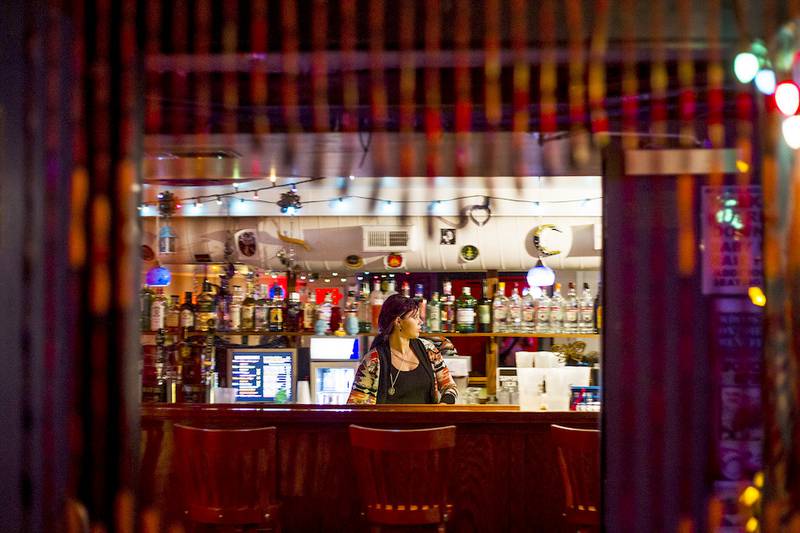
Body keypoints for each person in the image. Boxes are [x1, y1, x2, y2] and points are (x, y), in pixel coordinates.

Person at [347, 294, 459, 404]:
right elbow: (356, 404)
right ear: (398, 321)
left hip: (428, 417)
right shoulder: (374, 360)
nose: (420, 322)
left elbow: (450, 386)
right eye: (415, 317)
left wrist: (444, 404)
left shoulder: (429, 350)